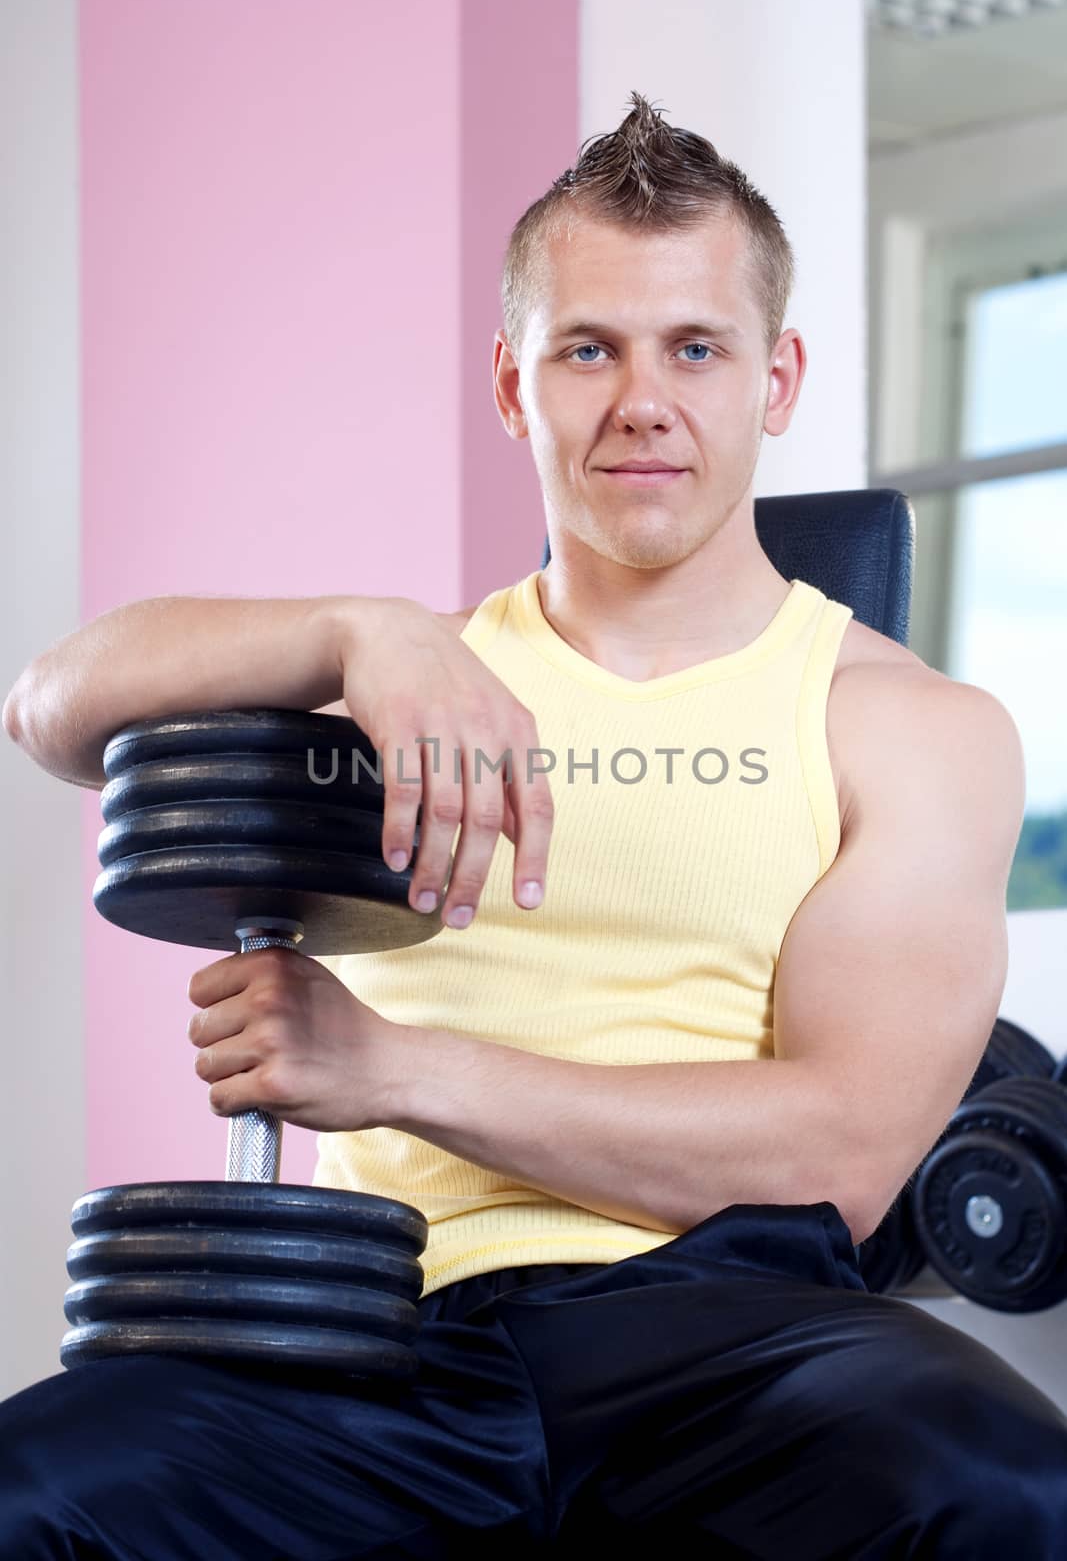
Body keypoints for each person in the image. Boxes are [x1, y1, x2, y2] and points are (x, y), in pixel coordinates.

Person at [2, 89, 1066, 1559]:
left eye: (696, 346)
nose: (644, 399)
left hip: (732, 1338)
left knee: (1011, 1489)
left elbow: (840, 1155)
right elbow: (52, 704)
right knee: (31, 1495)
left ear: (779, 376)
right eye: (590, 349)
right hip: (374, 1346)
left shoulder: (914, 731)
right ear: (515, 386)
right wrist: (350, 632)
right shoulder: (397, 685)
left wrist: (389, 1066)